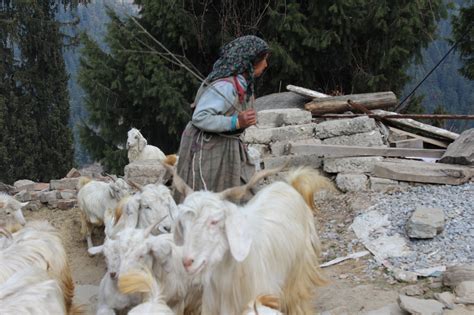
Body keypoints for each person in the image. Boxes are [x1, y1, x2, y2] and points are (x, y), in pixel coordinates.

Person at [174, 35, 270, 200]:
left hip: (226, 145)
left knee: (240, 191)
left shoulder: (243, 84)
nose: (266, 65)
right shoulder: (225, 86)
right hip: (207, 147)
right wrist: (236, 121)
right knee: (207, 195)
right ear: (251, 62)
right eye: (264, 60)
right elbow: (200, 117)